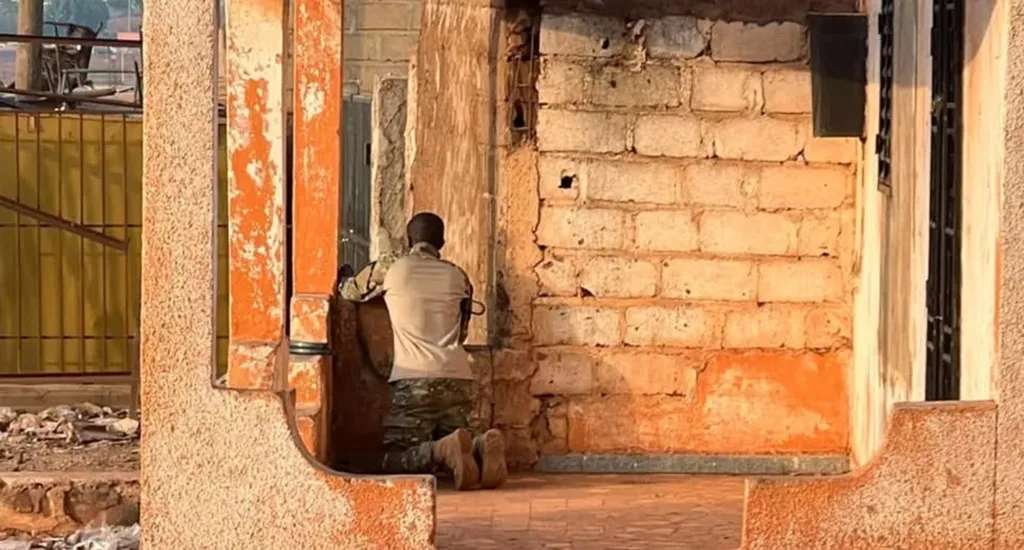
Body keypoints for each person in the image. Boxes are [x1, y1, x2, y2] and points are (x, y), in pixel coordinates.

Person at [338, 212, 507, 491]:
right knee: (459, 442)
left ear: (408, 239)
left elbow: (350, 291)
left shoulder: (392, 267)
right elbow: (462, 332)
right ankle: (479, 447)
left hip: (412, 382)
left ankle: (440, 451)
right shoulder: (459, 276)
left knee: (391, 461)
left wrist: (345, 275)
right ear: (442, 242)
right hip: (457, 380)